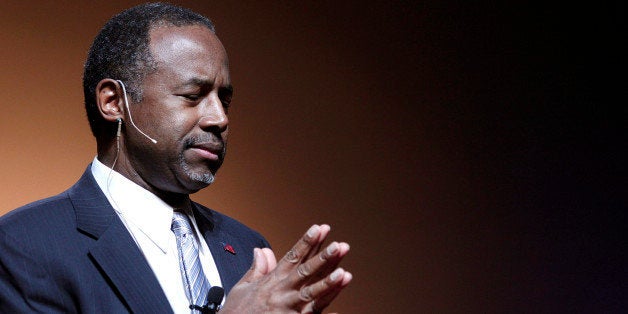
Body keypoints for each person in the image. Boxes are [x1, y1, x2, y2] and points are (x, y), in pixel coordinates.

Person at [0, 3, 351, 313]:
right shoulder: (23, 247)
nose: (219, 118)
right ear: (113, 102)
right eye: (192, 95)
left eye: (224, 100)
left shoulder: (250, 249)